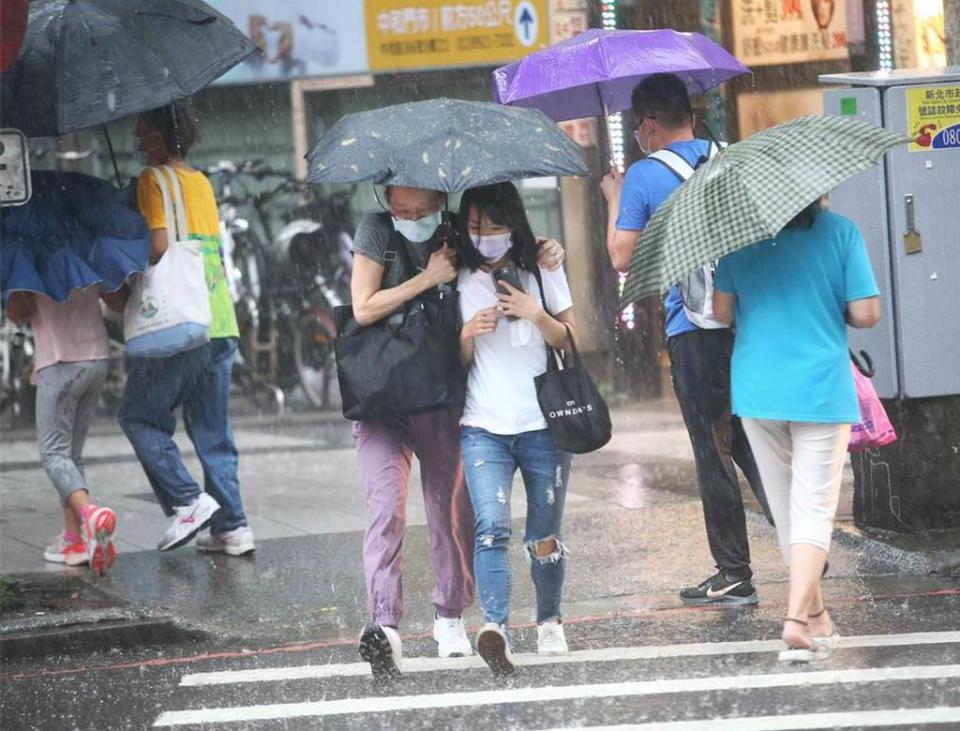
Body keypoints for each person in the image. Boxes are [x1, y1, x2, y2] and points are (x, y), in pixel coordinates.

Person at [349, 184, 564, 677]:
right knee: (385, 508)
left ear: (437, 196)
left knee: (450, 509)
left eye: (422, 207)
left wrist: (549, 248)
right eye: (401, 207)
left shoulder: (456, 232)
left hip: (441, 393)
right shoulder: (375, 231)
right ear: (386, 196)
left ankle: (450, 614)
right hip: (382, 395)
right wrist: (425, 279)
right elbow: (362, 308)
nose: (412, 216)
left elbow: (508, 248)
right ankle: (386, 627)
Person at [600, 73, 771, 607]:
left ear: (648, 125)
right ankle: (802, 537)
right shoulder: (727, 156)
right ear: (691, 116)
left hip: (694, 330)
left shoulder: (645, 175)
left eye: (637, 127)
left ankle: (733, 571)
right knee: (749, 438)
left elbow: (621, 257)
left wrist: (613, 196)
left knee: (712, 450)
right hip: (745, 321)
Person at [712, 201, 880, 661]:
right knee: (813, 508)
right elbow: (866, 314)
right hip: (820, 388)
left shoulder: (734, 238)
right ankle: (795, 620)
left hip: (758, 389)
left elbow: (721, 312)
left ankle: (818, 616)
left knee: (787, 508)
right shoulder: (841, 233)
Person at [116, 103, 254, 556]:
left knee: (139, 417)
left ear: (161, 134)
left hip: (178, 321)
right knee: (214, 432)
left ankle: (188, 500)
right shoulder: (201, 181)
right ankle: (232, 527)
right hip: (218, 317)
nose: (137, 141)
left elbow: (159, 245)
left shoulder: (151, 180)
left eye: (142, 132)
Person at [455, 182, 575, 676]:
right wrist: (466, 335)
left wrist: (535, 311)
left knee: (542, 533)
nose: (485, 236)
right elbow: (455, 363)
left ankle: (549, 619)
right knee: (490, 529)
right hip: (483, 424)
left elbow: (571, 340)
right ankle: (495, 627)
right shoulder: (457, 277)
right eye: (476, 226)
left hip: (544, 423)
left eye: (495, 226)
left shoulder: (542, 266)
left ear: (514, 224)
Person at [5, 289, 117, 575]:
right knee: (70, 455)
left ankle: (89, 515)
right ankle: (75, 539)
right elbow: (113, 296)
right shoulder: (82, 247)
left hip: (60, 360)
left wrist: (18, 290)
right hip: (97, 359)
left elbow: (15, 314)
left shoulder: (32, 256)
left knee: (54, 452)